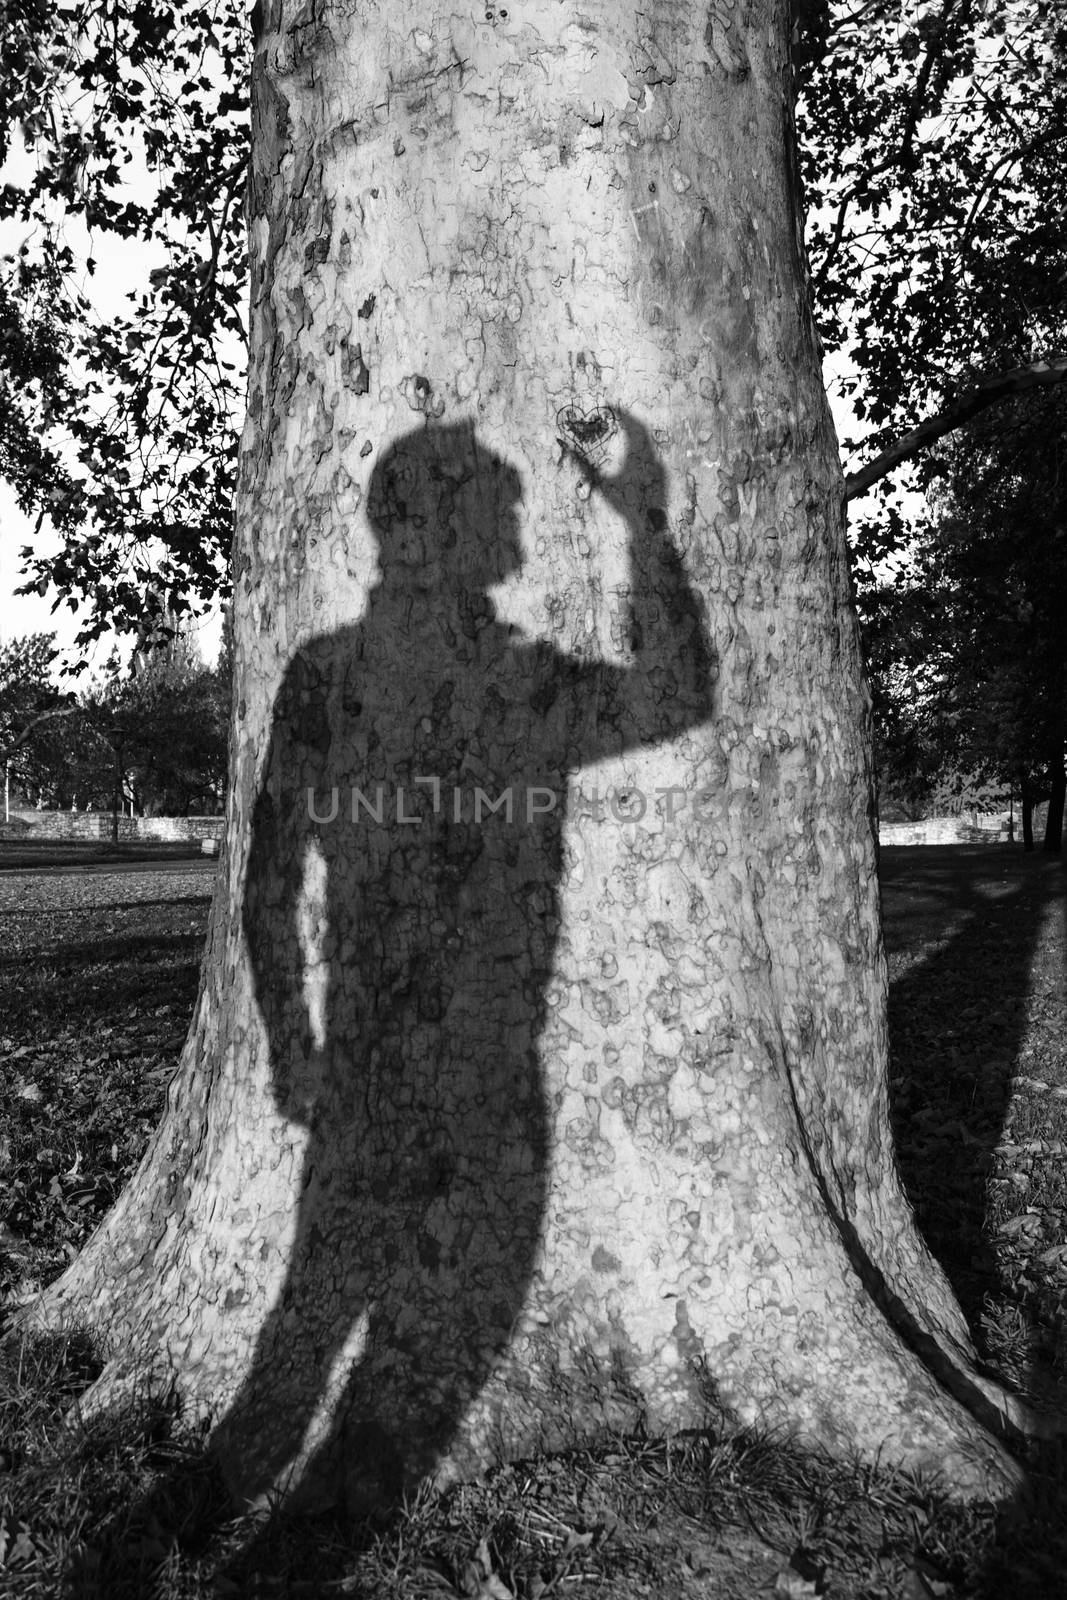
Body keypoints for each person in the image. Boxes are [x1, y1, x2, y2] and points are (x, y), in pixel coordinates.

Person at [226, 411, 716, 1513]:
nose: (515, 527)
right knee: (301, 1342)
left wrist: (646, 525)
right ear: (431, 524)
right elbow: (266, 877)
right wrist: (289, 1050)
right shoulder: (332, 677)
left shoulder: (513, 681)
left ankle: (285, 1512)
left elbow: (674, 699)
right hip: (379, 1076)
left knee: (394, 1345)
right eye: (497, 506)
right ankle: (231, 1513)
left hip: (476, 1077)